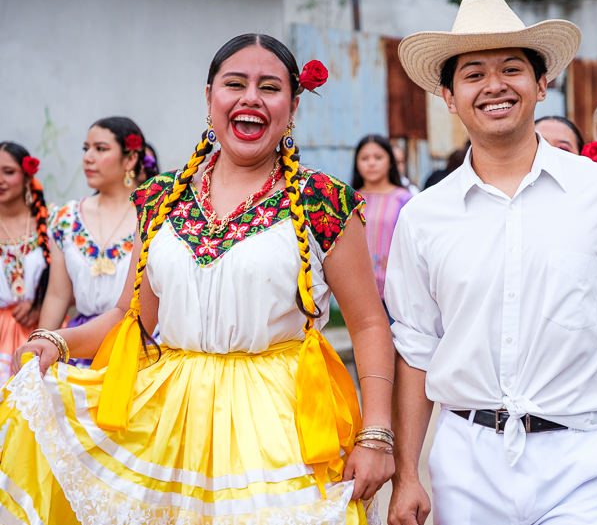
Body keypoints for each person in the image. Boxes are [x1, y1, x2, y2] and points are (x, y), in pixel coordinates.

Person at [0, 33, 394, 524]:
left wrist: (376, 433)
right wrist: (57, 340)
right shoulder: (162, 196)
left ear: (292, 106)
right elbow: (129, 318)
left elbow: (370, 325)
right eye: (235, 84)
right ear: (210, 97)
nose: (251, 98)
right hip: (170, 419)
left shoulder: (321, 199)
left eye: (269, 87)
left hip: (281, 424)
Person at [387, 0, 597, 525]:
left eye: (512, 69)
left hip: (581, 455)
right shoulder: (424, 216)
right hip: (467, 461)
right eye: (473, 74)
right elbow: (415, 348)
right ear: (450, 97)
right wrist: (407, 472)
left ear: (542, 84)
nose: (494, 85)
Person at [38, 116, 144, 368]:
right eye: (86, 149)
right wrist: (40, 343)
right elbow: (56, 295)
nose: (88, 157)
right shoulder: (66, 218)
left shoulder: (153, 214)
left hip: (136, 345)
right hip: (78, 346)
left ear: (130, 159)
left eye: (101, 149)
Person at [0, 142, 50, 384]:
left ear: (27, 176)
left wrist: (41, 304)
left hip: (44, 328)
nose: (0, 180)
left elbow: (70, 285)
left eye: (8, 172)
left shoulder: (50, 222)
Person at [352, 135, 413, 309]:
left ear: (390, 162)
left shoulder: (404, 199)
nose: (371, 163)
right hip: (359, 287)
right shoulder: (350, 200)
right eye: (364, 158)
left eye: (378, 158)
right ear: (357, 163)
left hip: (398, 288)